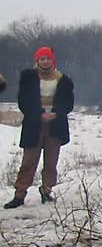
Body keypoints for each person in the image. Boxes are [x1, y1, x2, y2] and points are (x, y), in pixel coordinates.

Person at [4, 47, 74, 209]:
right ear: (37, 61)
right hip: (34, 124)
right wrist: (40, 113)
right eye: (41, 59)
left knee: (51, 161)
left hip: (55, 125)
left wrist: (55, 113)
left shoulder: (63, 79)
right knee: (29, 161)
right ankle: (20, 194)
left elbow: (67, 102)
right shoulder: (28, 78)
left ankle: (46, 190)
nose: (45, 61)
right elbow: (24, 100)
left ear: (53, 60)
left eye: (47, 58)